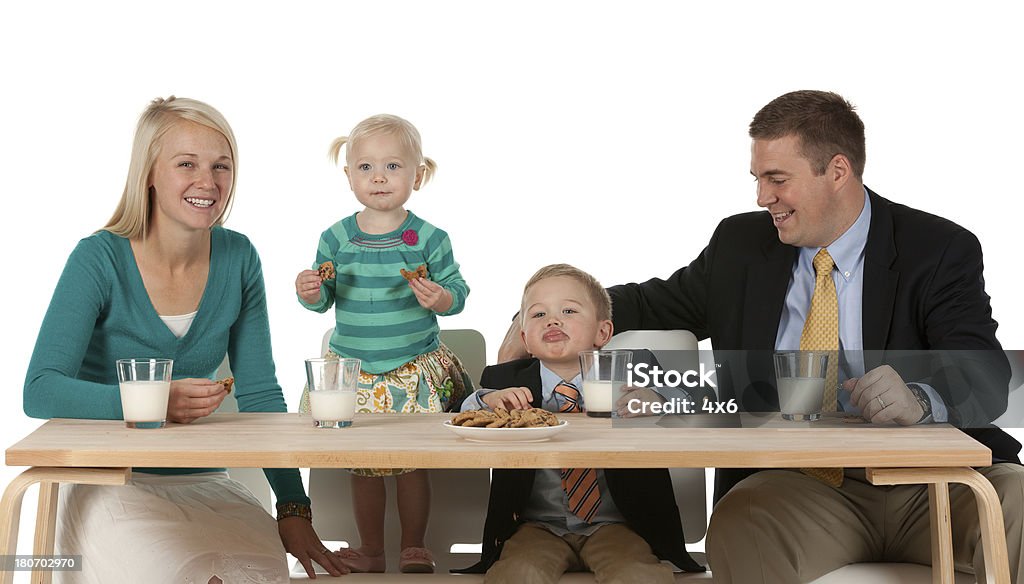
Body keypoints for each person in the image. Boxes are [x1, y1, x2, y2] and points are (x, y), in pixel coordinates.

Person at [599, 90, 1023, 583]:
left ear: (838, 171)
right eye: (758, 180)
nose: (762, 198)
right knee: (743, 523)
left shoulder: (938, 249)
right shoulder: (740, 246)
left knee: (1018, 498)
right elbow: (650, 303)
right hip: (799, 491)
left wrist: (921, 400)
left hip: (927, 484)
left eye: (777, 180)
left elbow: (987, 376)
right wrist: (542, 315)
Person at [23, 96, 348, 582]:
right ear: (149, 174)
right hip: (108, 485)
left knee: (255, 576)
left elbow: (259, 392)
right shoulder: (97, 259)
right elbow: (40, 389)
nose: (208, 182)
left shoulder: (239, 257)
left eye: (222, 165)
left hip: (207, 483)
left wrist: (293, 509)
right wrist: (152, 402)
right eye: (186, 164)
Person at [294, 114, 473, 574]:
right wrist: (310, 292)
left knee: (413, 462)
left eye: (393, 166)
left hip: (412, 367)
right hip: (355, 372)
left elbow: (457, 291)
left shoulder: (430, 238)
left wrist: (443, 295)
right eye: (366, 167)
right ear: (349, 175)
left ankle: (414, 544)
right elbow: (325, 296)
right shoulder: (335, 238)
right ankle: (371, 549)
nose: (379, 177)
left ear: (418, 175)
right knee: (362, 464)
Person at [456, 264, 704, 583]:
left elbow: (700, 394)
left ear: (603, 332)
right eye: (538, 315)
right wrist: (486, 400)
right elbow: (455, 410)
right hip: (536, 527)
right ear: (524, 339)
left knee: (640, 576)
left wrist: (658, 394)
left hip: (617, 526)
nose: (553, 320)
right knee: (517, 574)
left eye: (569, 310)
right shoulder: (504, 380)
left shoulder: (633, 371)